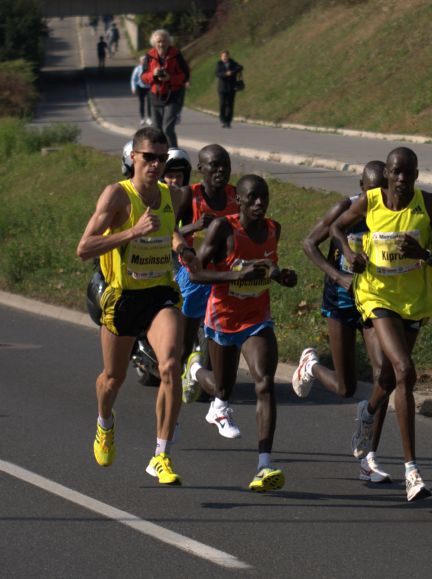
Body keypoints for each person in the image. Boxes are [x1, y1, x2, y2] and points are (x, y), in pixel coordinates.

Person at [332, 147, 432, 501]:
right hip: (377, 296)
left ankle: (367, 410)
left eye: (408, 173)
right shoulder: (370, 203)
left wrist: (424, 255)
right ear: (386, 174)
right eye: (395, 172)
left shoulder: (430, 205)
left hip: (414, 302)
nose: (402, 179)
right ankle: (411, 471)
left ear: (417, 176)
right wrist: (350, 254)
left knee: (387, 378)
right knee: (404, 371)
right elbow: (336, 230)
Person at [75, 126, 198, 486]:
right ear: (133, 158)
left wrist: (182, 248)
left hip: (159, 293)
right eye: (149, 158)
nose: (156, 165)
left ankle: (161, 455)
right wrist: (131, 233)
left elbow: (170, 229)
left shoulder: (172, 196)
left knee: (171, 364)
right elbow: (84, 248)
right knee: (113, 379)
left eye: (162, 158)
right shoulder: (117, 196)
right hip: (123, 297)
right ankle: (104, 422)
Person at [183, 175, 298, 492]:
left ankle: (264, 465)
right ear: (241, 202)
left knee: (264, 382)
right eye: (253, 198)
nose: (260, 203)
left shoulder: (273, 229)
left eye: (264, 197)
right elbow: (196, 272)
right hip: (223, 318)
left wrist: (281, 276)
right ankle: (193, 368)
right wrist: (234, 274)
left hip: (257, 319)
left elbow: (269, 266)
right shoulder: (224, 228)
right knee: (223, 387)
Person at [291, 160, 392, 483]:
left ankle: (369, 458)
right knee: (346, 387)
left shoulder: (390, 213)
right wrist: (338, 274)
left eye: (382, 190)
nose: (375, 196)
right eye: (370, 189)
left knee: (384, 374)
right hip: (341, 298)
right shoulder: (346, 208)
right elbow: (309, 244)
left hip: (372, 302)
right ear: (361, 186)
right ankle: (311, 366)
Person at [177, 144, 239, 405]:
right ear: (201, 169)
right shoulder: (187, 195)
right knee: (185, 339)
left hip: (225, 274)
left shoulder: (236, 196)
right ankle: (182, 372)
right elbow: (168, 230)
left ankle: (207, 373)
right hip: (194, 273)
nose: (220, 170)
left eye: (225, 164)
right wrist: (194, 225)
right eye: (214, 165)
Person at [141, 29, 190, 148]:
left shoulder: (176, 54)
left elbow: (185, 75)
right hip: (155, 95)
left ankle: (174, 155)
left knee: (167, 128)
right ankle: (159, 154)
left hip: (172, 94)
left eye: (163, 41)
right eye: (158, 41)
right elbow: (143, 77)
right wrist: (153, 74)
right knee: (156, 130)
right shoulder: (149, 56)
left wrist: (170, 78)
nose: (161, 44)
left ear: (168, 42)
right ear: (154, 42)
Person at [215, 50, 244, 128]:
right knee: (222, 104)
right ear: (221, 57)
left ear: (228, 56)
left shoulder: (233, 63)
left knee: (230, 105)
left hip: (232, 87)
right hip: (222, 88)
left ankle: (228, 121)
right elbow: (218, 74)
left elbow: (240, 67)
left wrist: (232, 72)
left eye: (226, 56)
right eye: (223, 56)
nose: (225, 58)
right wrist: (225, 74)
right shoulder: (219, 64)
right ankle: (222, 120)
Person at [131, 56, 152, 126]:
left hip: (149, 87)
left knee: (150, 102)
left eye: (145, 60)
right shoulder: (137, 69)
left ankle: (149, 118)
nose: (144, 61)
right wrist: (133, 87)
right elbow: (133, 79)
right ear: (140, 61)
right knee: (141, 103)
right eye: (143, 60)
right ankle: (142, 118)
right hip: (140, 87)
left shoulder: (150, 68)